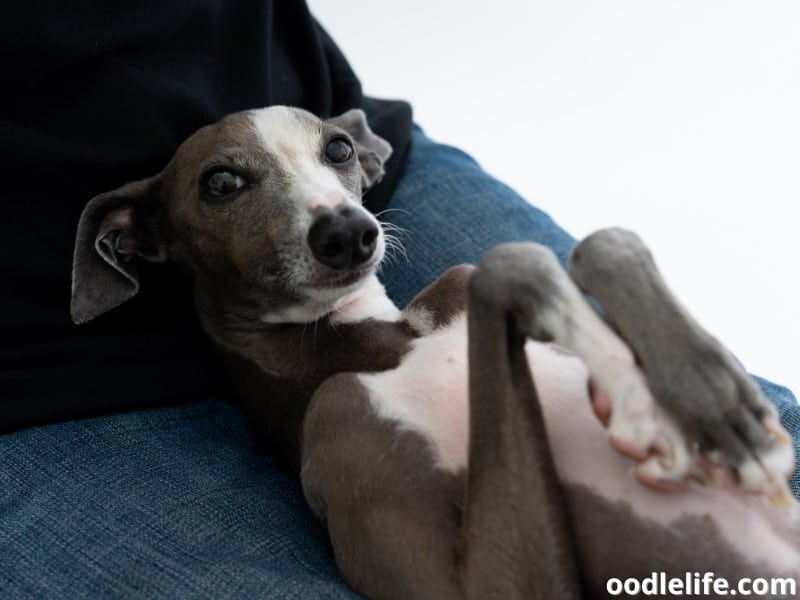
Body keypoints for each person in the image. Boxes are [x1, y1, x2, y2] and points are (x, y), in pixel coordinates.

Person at [1, 1, 797, 596]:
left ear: (358, 163)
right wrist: (503, 323)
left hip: (280, 75)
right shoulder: (356, 415)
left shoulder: (454, 291)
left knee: (763, 414)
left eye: (339, 157)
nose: (333, 218)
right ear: (128, 240)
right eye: (226, 185)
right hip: (37, 356)